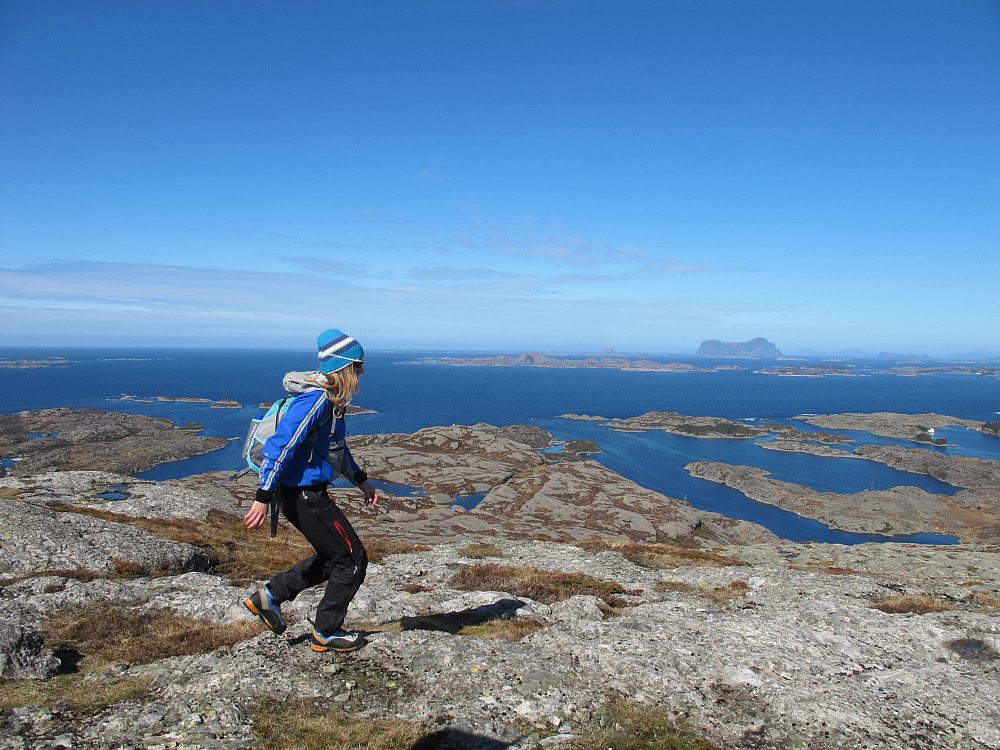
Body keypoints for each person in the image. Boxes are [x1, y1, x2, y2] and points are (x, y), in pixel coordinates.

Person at [242, 328, 378, 652]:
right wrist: (262, 496)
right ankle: (326, 632)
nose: (362, 371)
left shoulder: (332, 401)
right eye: (358, 365)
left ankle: (270, 597)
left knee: (335, 559)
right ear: (343, 367)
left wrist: (360, 479)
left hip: (305, 494)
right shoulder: (317, 398)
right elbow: (282, 444)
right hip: (306, 496)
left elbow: (336, 449)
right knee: (353, 560)